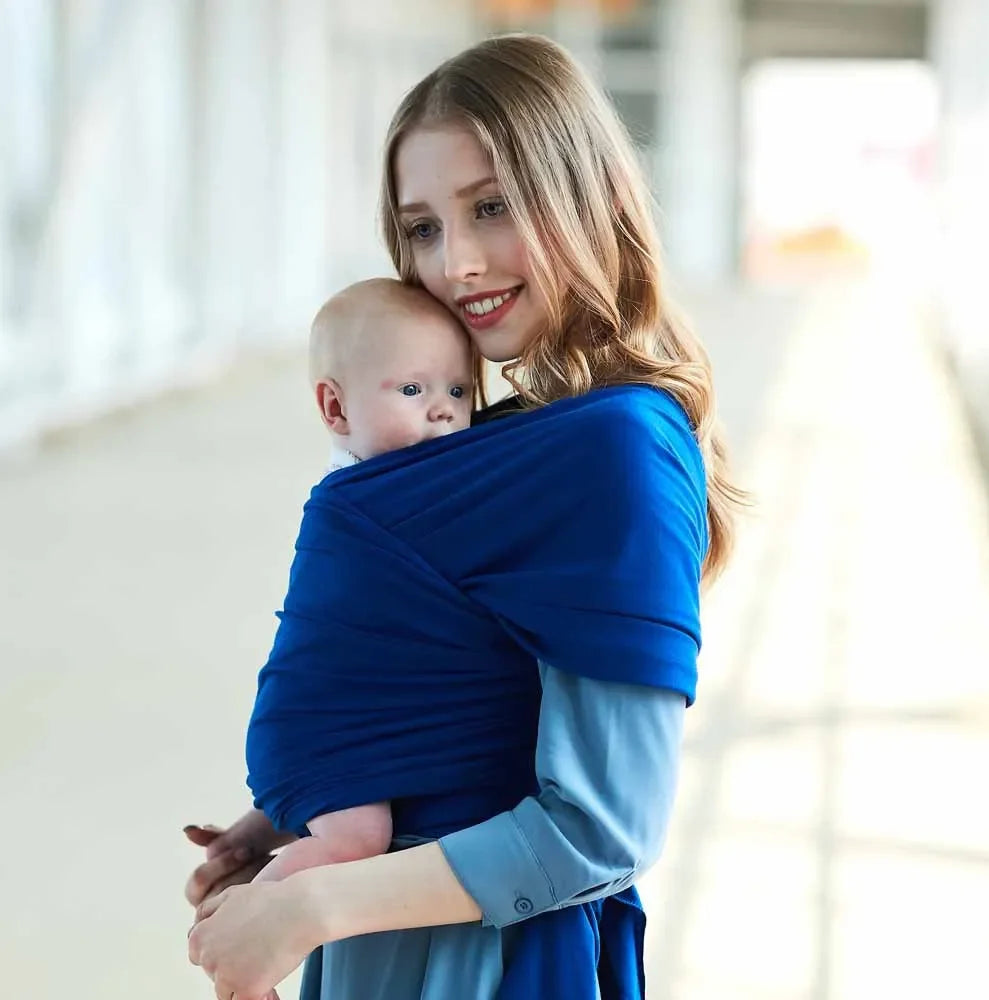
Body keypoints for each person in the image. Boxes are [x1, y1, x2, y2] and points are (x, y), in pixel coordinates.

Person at [185, 33, 742, 1000]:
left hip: (488, 958)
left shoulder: (613, 447)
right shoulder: (506, 430)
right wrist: (292, 823)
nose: (461, 264)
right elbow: (457, 708)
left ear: (587, 194)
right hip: (395, 932)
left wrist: (312, 908)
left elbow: (603, 826)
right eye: (423, 228)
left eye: (491, 207)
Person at [244, 276, 475, 886]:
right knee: (358, 840)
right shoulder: (367, 499)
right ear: (336, 408)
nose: (443, 407)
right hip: (317, 724)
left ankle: (251, 861)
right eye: (411, 388)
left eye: (459, 388)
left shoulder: (399, 478)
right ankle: (240, 921)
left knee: (358, 829)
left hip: (356, 721)